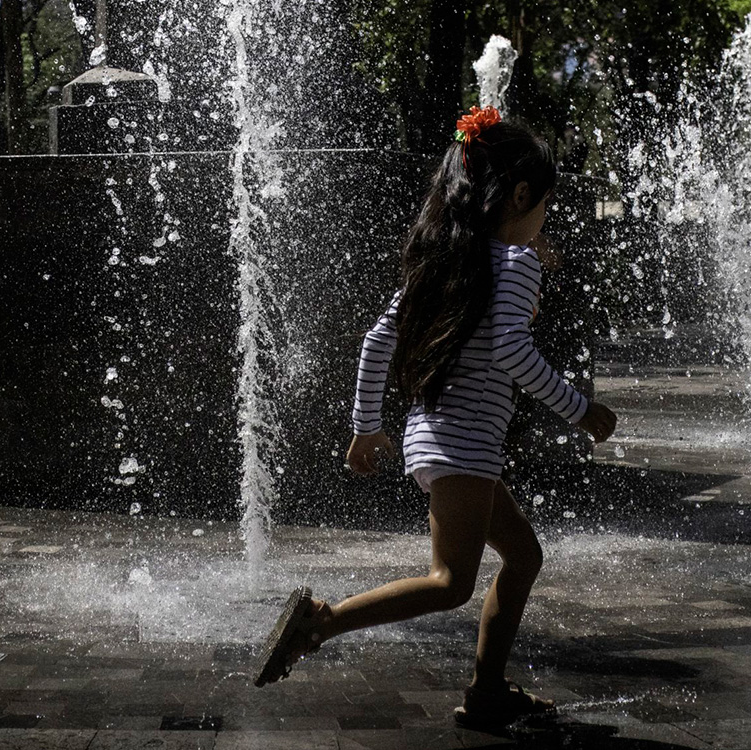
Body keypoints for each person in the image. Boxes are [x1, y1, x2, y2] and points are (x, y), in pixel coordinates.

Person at [254, 107, 617, 731]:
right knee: (450, 582)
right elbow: (511, 350)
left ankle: (488, 692)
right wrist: (579, 410)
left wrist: (367, 426)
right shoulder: (515, 262)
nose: (544, 221)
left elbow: (377, 342)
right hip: (465, 444)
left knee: (524, 556)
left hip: (442, 437)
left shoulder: (445, 263)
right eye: (544, 207)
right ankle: (321, 623)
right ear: (520, 195)